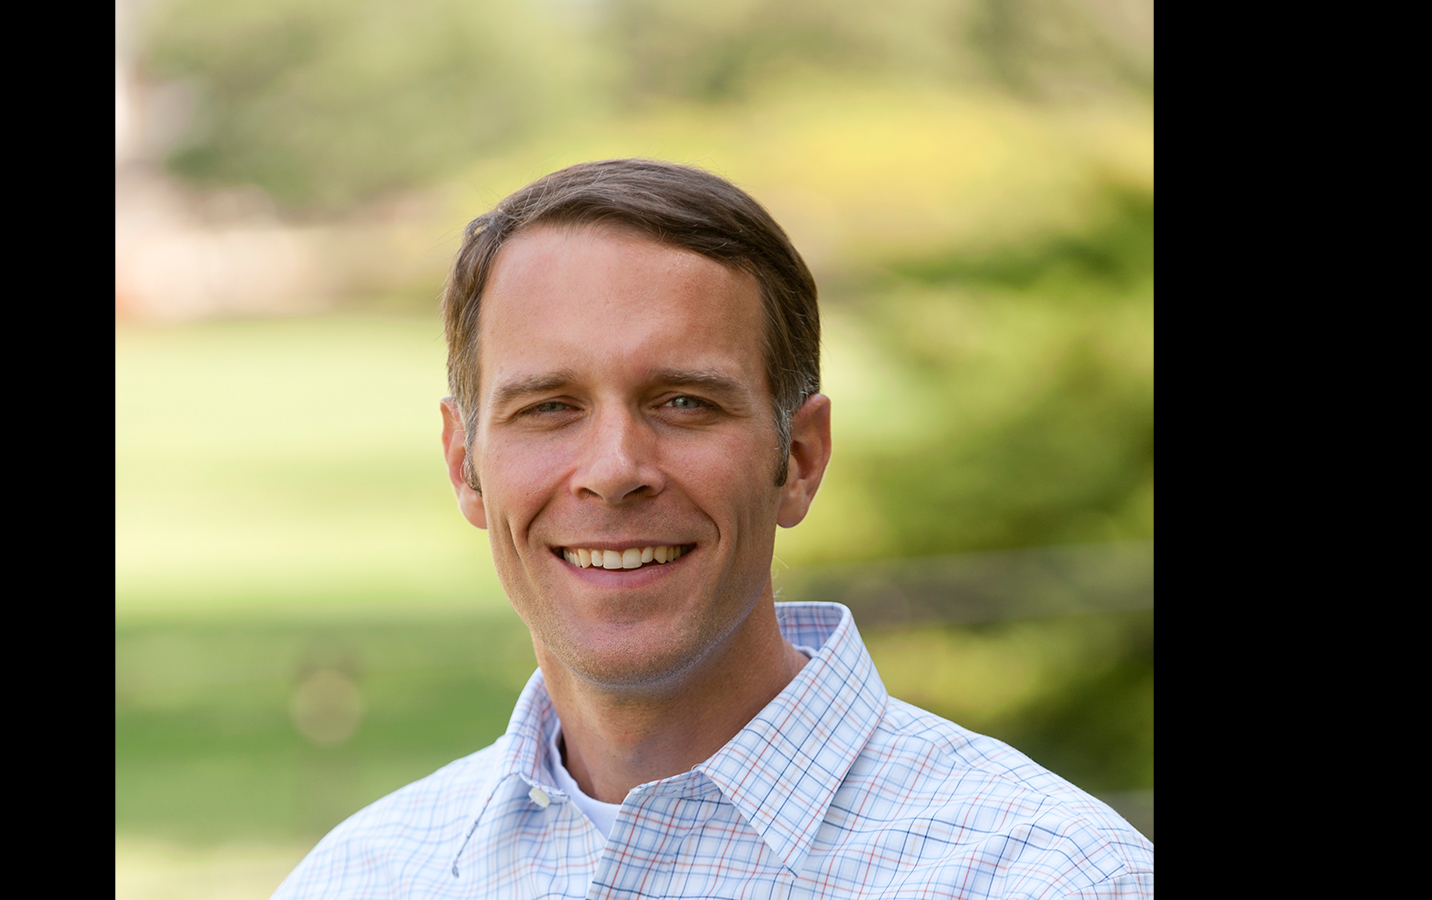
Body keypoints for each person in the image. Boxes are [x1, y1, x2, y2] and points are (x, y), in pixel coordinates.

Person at [272, 159, 1154, 899]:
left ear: (799, 458)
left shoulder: (1045, 878)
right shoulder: (363, 877)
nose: (615, 468)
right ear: (465, 464)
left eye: (684, 402)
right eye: (549, 407)